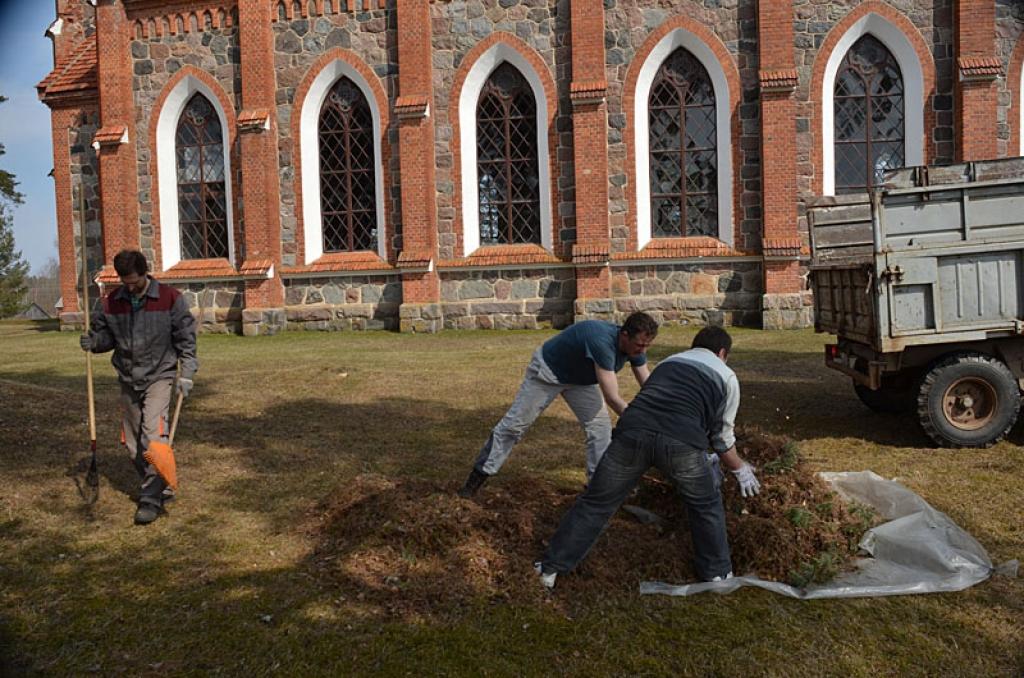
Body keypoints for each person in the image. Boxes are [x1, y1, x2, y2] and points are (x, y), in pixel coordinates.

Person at [534, 325, 760, 589]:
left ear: (694, 345)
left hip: (632, 433)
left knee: (596, 502)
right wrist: (740, 469)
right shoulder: (727, 376)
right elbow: (722, 438)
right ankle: (717, 574)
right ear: (723, 353)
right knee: (705, 504)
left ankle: (550, 569)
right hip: (681, 445)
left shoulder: (669, 362)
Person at [458, 312, 659, 498]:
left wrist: (661, 412)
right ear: (624, 335)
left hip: (580, 381)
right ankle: (475, 480)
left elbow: (648, 385)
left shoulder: (636, 347)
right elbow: (612, 397)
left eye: (646, 346)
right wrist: (636, 419)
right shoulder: (602, 342)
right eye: (640, 345)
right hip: (548, 372)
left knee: (600, 429)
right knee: (514, 426)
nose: (642, 350)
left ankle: (597, 488)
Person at [79, 249, 198, 525]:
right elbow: (105, 337)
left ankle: (149, 499)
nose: (131, 287)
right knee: (132, 445)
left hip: (159, 375)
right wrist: (93, 342)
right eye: (125, 282)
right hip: (128, 377)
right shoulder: (111, 303)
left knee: (153, 439)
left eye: (135, 281)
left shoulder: (170, 299)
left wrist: (188, 372)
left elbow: (186, 340)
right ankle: (160, 483)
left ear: (145, 273)